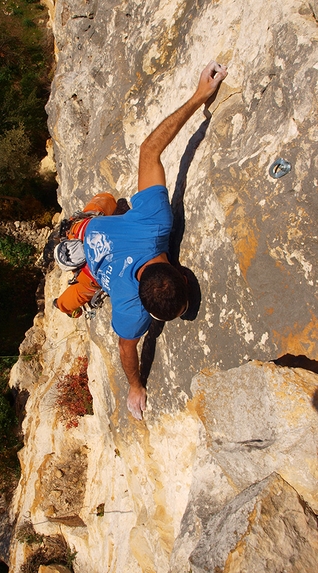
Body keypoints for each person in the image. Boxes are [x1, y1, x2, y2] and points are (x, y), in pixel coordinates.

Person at [54, 61, 228, 420]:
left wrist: (201, 95)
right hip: (90, 236)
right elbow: (125, 349)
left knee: (107, 206)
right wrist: (134, 385)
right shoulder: (129, 310)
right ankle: (67, 273)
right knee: (72, 294)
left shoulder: (154, 223)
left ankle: (72, 260)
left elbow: (150, 149)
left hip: (96, 234)